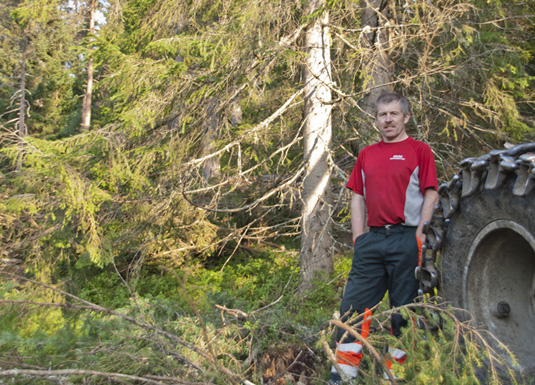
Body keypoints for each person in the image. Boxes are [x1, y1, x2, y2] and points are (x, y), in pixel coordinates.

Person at [329, 92, 439, 384]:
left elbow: (432, 191)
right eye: (382, 115)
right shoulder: (367, 154)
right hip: (372, 240)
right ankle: (344, 374)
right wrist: (358, 237)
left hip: (406, 239)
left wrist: (420, 232)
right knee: (352, 308)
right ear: (376, 119)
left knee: (402, 310)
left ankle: (395, 375)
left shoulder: (420, 150)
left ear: (405, 117)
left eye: (393, 114)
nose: (388, 119)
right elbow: (357, 197)